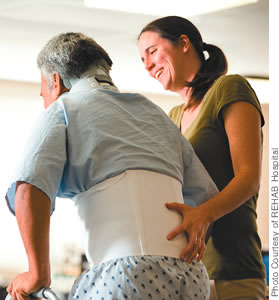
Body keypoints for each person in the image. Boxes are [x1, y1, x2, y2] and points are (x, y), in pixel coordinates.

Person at [5, 32, 218, 300]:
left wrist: (37, 273)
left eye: (42, 94)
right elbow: (206, 198)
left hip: (127, 277)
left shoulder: (63, 110)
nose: (44, 102)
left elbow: (28, 190)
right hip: (190, 278)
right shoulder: (155, 114)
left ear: (55, 82)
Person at [138, 16, 267, 300]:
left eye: (152, 51)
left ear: (183, 43)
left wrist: (204, 214)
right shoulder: (173, 117)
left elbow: (248, 179)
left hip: (232, 271)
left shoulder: (229, 88)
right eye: (142, 59)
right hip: (184, 272)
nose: (147, 65)